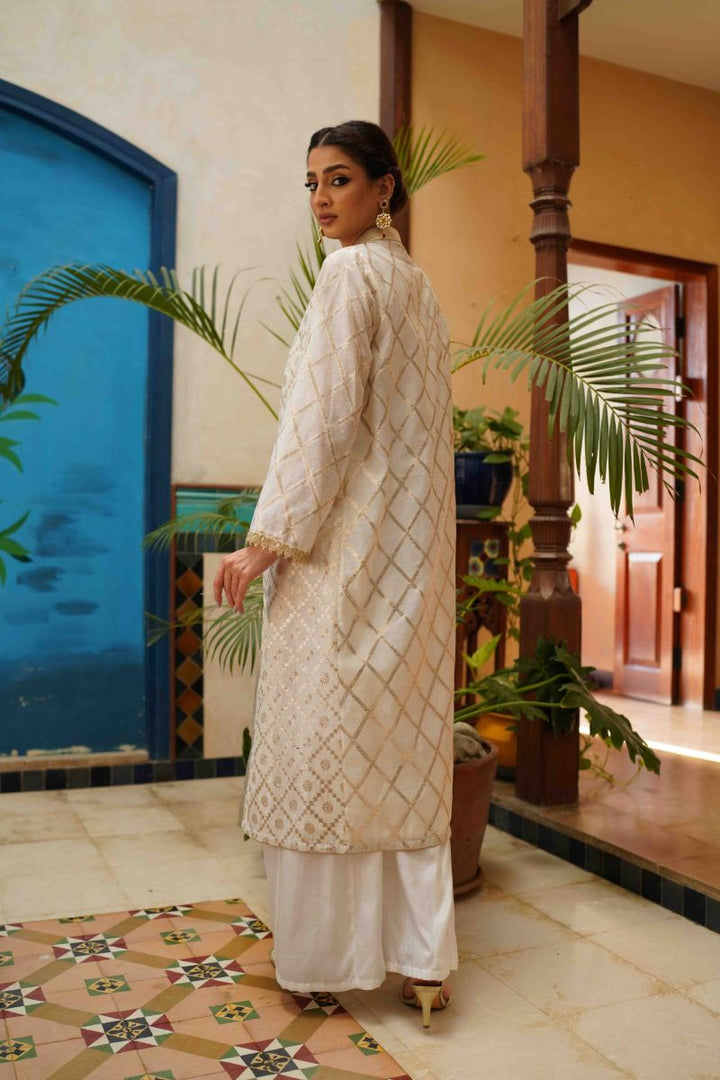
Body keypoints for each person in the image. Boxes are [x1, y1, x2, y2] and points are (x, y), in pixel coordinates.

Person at [213, 119, 457, 1029]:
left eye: (340, 179)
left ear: (384, 189)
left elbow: (320, 421)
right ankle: (422, 962)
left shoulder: (350, 274)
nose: (321, 198)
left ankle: (323, 962)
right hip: (411, 562)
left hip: (343, 556)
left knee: (323, 748)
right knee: (398, 752)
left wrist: (267, 541)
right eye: (311, 182)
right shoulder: (415, 284)